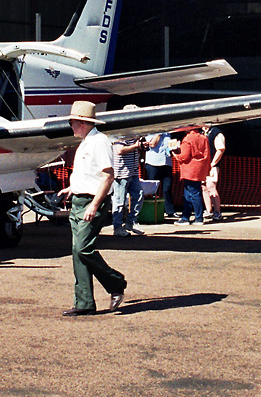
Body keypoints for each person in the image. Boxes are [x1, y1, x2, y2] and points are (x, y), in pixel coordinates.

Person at [56, 101, 127, 316]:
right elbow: (90, 175)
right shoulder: (86, 142)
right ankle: (84, 302)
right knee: (78, 253)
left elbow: (108, 176)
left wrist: (94, 204)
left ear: (82, 123)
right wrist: (71, 188)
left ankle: (116, 284)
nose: (70, 126)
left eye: (72, 122)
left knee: (82, 249)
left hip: (91, 203)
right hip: (79, 200)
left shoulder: (99, 142)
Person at [110, 113, 145, 236]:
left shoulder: (134, 134)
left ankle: (130, 222)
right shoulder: (121, 134)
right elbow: (119, 150)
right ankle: (117, 227)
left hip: (132, 171)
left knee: (139, 195)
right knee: (119, 200)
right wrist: (136, 146)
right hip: (121, 173)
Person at [176, 127, 211, 224]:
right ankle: (185, 217)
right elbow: (207, 154)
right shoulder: (204, 138)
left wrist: (175, 154)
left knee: (193, 194)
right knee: (190, 193)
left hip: (190, 169)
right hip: (200, 169)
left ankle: (198, 218)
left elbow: (184, 156)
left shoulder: (187, 139)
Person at [144, 131, 176, 219]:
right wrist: (158, 133)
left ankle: (170, 211)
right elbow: (153, 144)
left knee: (167, 188)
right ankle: (153, 210)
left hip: (166, 162)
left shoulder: (168, 133)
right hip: (153, 162)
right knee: (153, 188)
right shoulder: (150, 132)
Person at [203, 124, 227, 221]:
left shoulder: (217, 133)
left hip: (212, 165)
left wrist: (213, 163)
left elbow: (220, 149)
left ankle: (217, 212)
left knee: (211, 187)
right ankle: (209, 210)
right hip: (203, 165)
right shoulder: (201, 133)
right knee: (203, 187)